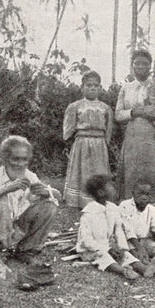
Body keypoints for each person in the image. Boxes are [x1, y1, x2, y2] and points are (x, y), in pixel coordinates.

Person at [0, 136, 61, 262]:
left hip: (10, 233)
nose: (20, 164)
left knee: (49, 207)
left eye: (24, 159)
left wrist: (47, 192)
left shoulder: (29, 176)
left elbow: (57, 196)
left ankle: (26, 251)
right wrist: (6, 189)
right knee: (0, 204)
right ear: (4, 159)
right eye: (16, 159)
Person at [115, 50, 155, 210]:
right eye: (137, 63)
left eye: (144, 63)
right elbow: (118, 115)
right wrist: (133, 112)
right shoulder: (126, 88)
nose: (140, 67)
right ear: (132, 66)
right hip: (135, 134)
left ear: (151, 66)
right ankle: (131, 207)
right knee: (133, 171)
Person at [75, 175, 145, 280]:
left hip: (111, 248)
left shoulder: (113, 209)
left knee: (125, 255)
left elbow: (119, 232)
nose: (115, 188)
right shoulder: (88, 213)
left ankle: (145, 269)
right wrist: (107, 249)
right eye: (111, 186)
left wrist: (122, 248)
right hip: (91, 250)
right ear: (101, 192)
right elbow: (86, 240)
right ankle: (124, 271)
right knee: (103, 256)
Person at [62, 71, 113, 211]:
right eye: (89, 85)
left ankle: (99, 199)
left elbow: (108, 129)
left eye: (96, 85)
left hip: (99, 143)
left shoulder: (105, 108)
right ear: (82, 87)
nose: (92, 88)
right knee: (82, 170)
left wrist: (105, 144)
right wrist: (69, 141)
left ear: (100, 88)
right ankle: (79, 200)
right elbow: (69, 128)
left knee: (98, 171)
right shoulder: (75, 106)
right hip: (82, 142)